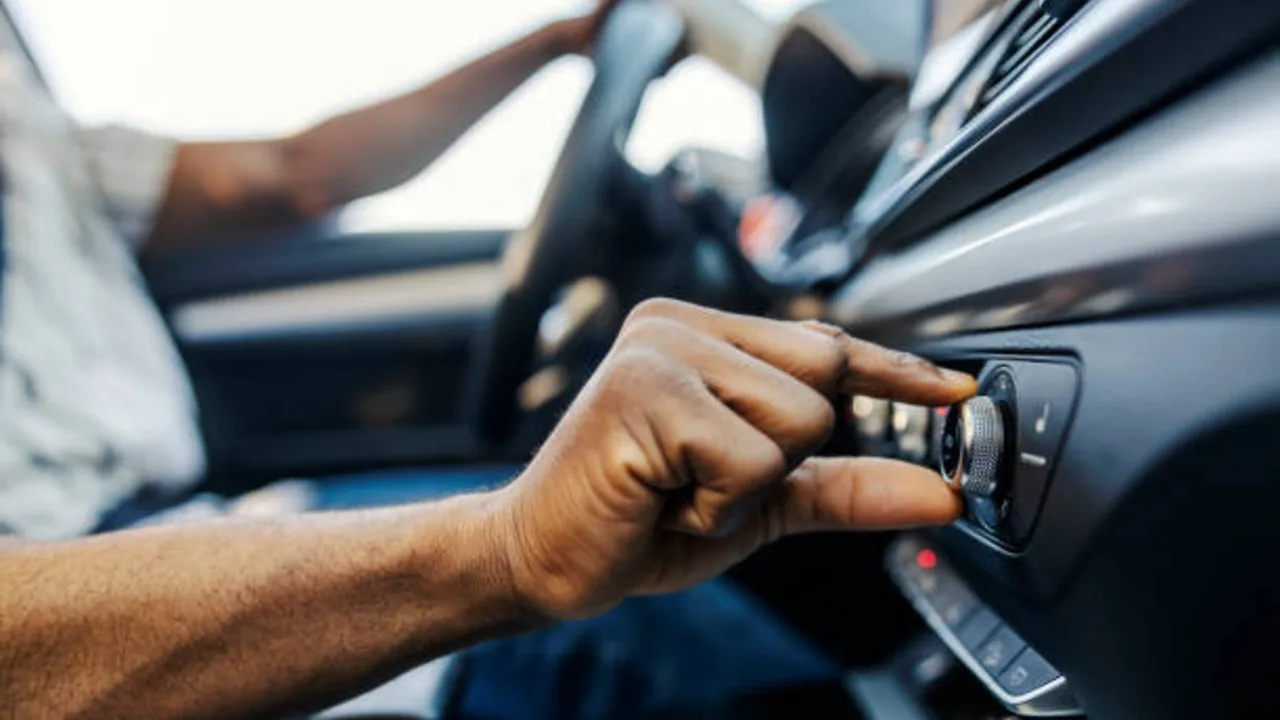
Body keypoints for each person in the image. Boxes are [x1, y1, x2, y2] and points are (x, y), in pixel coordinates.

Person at [0, 1, 979, 716]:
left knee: (635, 555)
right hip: (69, 603)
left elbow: (290, 176)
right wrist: (505, 555)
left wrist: (556, 41)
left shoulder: (26, 127)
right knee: (606, 645)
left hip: (167, 523)